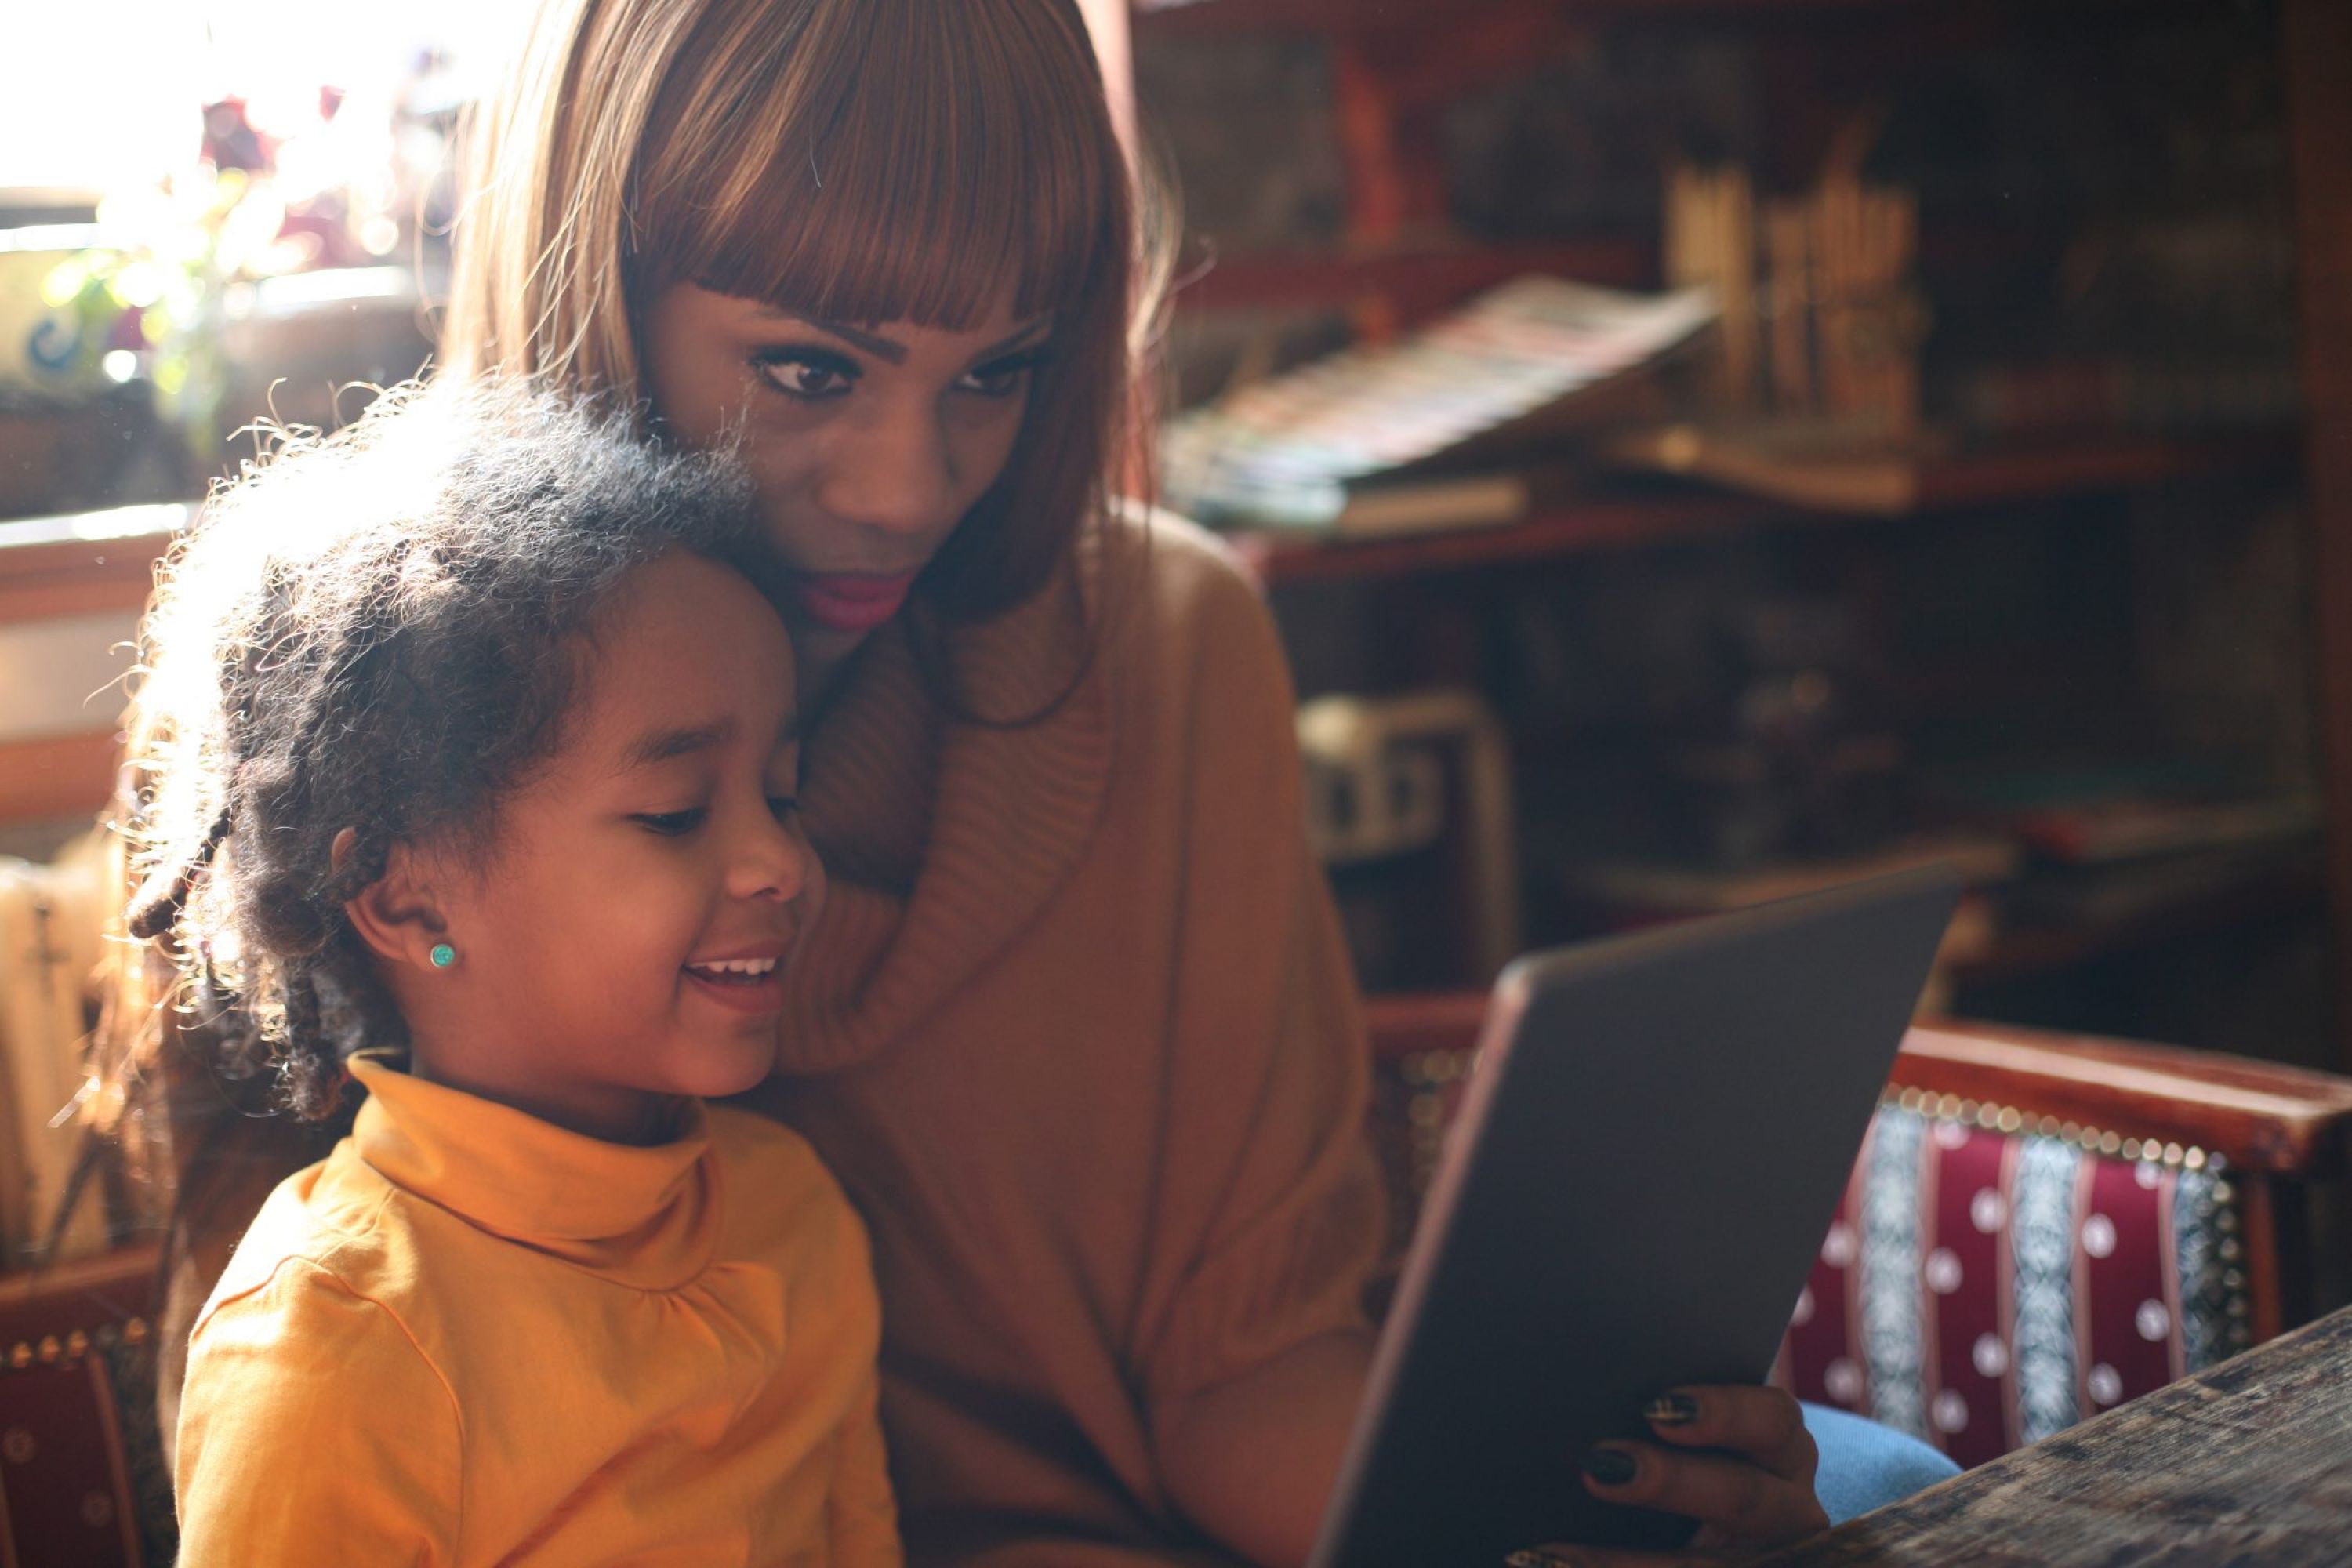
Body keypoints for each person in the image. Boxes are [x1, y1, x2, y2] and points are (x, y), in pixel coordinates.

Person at [115, 2, 1956, 1563]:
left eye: (996, 370)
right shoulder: (354, 704)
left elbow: (1249, 1365)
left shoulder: (1165, 646)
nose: (916, 487)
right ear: (600, 272)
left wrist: (1559, 1513)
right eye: (811, 368)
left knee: (1878, 1493)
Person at [135, 381, 900, 1566]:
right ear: (403, 897)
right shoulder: (339, 1340)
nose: (781, 861)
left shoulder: (792, 1215)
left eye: (783, 794)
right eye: (674, 811)